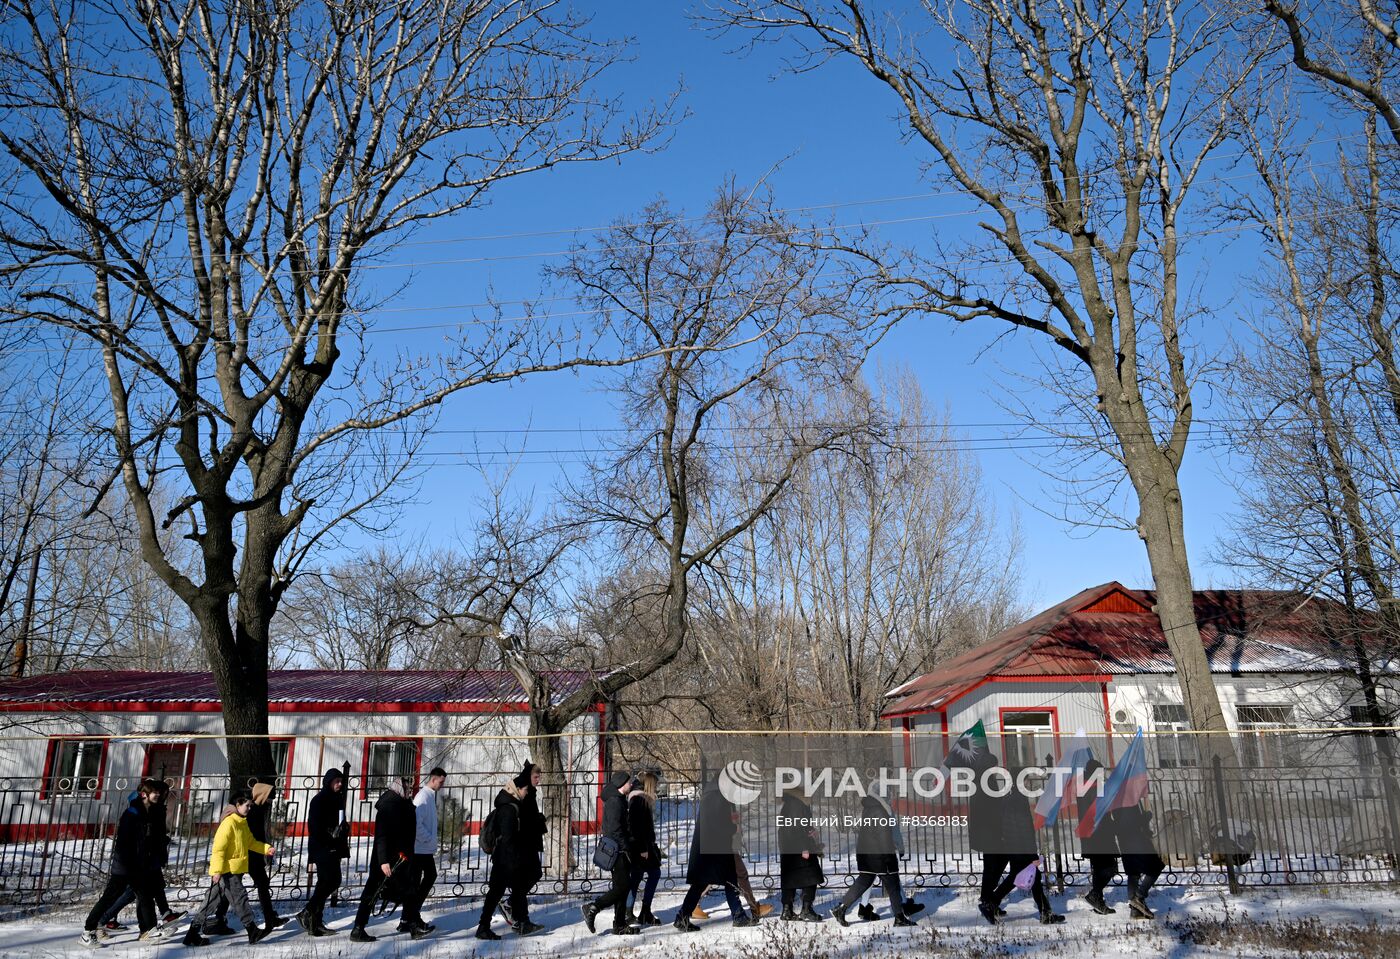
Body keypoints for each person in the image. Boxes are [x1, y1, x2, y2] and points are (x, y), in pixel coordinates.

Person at [973, 757, 1064, 926]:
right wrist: (1032, 854)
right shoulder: (1018, 800)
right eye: (1027, 779)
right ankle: (991, 903)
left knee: (1027, 877)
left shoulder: (1009, 798)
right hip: (1021, 847)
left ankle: (1044, 912)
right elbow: (1022, 829)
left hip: (1013, 846)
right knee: (1020, 877)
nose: (1029, 783)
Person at [182, 789, 278, 947]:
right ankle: (252, 931)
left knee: (210, 902)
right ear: (238, 804)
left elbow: (250, 842)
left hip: (232, 869)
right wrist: (217, 871)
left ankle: (192, 933)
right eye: (247, 805)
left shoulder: (241, 822)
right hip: (227, 871)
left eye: (251, 805)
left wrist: (266, 848)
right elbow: (218, 849)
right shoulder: (229, 823)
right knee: (240, 899)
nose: (249, 808)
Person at [80, 779, 166, 947]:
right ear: (144, 795)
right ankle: (87, 931)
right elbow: (125, 844)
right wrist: (130, 864)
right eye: (154, 792)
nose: (158, 795)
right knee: (109, 898)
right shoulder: (132, 814)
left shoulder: (146, 813)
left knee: (146, 896)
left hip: (137, 866)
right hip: (125, 867)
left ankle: (150, 931)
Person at [96, 781, 183, 934]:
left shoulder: (155, 808)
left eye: (161, 793)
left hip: (149, 858)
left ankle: (157, 921)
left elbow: (154, 833)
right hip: (137, 861)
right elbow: (137, 837)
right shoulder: (137, 811)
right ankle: (103, 920)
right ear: (146, 793)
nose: (161, 796)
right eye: (158, 793)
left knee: (152, 889)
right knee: (133, 893)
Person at [674, 779, 756, 932]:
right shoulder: (719, 797)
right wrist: (733, 828)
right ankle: (738, 916)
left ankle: (682, 917)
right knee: (729, 881)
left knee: (702, 883)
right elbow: (721, 823)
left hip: (708, 847)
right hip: (717, 847)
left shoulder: (710, 795)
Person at [206, 782, 287, 934]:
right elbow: (244, 838)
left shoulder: (258, 809)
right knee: (232, 889)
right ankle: (218, 919)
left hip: (252, 855)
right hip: (246, 857)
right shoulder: (251, 811)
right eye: (270, 797)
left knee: (247, 887)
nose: (271, 801)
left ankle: (268, 918)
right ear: (262, 796)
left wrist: (265, 849)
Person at [831, 787, 914, 927]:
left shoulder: (868, 809)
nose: (889, 797)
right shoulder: (881, 811)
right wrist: (889, 856)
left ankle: (841, 908)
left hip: (866, 854)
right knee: (893, 885)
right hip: (880, 856)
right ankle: (899, 918)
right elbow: (883, 836)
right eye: (888, 795)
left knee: (863, 882)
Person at [350, 777, 418, 942]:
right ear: (399, 788)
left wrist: (408, 802)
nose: (410, 791)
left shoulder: (400, 804)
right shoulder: (388, 806)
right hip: (387, 860)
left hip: (397, 857)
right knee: (374, 892)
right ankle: (358, 929)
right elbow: (381, 836)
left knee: (407, 889)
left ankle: (411, 924)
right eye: (407, 788)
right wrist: (383, 861)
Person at [475, 776, 544, 939]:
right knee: (511, 890)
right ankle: (521, 923)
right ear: (517, 789)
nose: (527, 793)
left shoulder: (510, 805)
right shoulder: (509, 809)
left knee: (497, 893)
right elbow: (508, 838)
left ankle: (485, 926)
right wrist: (514, 861)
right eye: (526, 790)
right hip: (506, 859)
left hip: (504, 858)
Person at [581, 772, 640, 935]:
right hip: (618, 851)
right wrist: (626, 847)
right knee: (623, 887)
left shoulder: (619, 799)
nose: (631, 785)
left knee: (621, 887)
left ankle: (619, 924)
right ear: (622, 783)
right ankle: (593, 908)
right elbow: (614, 829)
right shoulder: (615, 801)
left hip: (620, 850)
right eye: (629, 782)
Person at [296, 767, 349, 936]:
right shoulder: (319, 800)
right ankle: (308, 911)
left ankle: (315, 922)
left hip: (333, 846)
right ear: (329, 782)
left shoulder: (338, 799)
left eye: (341, 781)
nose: (340, 784)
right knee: (332, 880)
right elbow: (314, 826)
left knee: (325, 882)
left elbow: (340, 821)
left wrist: (343, 829)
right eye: (337, 781)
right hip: (323, 846)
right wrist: (329, 837)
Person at [499, 760, 546, 929]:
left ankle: (511, 904)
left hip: (529, 842)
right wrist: (536, 821)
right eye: (535, 776)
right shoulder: (522, 791)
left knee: (535, 874)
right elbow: (522, 819)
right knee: (523, 879)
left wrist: (538, 820)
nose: (538, 780)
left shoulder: (530, 792)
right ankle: (521, 920)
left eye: (539, 777)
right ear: (528, 776)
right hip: (522, 844)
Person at [404, 767, 446, 937]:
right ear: (434, 779)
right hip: (419, 849)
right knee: (418, 884)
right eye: (441, 782)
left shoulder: (429, 795)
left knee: (426, 879)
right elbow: (416, 823)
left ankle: (409, 918)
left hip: (424, 848)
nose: (442, 785)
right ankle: (412, 919)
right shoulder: (423, 796)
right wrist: (427, 838)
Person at [1077, 757, 1119, 915]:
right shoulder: (1093, 789)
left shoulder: (1087, 787)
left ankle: (1098, 900)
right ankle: (1095, 895)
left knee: (1101, 869)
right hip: (1099, 837)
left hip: (1095, 836)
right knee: (1109, 868)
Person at [1113, 799, 1166, 919]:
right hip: (1136, 841)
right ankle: (1139, 897)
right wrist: (1146, 817)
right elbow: (1132, 822)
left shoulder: (1116, 798)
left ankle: (1135, 911)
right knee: (1156, 867)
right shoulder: (1127, 800)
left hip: (1125, 841)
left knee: (1133, 873)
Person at [777, 788, 824, 922]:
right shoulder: (797, 805)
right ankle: (806, 910)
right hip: (799, 847)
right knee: (811, 876)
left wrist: (811, 831)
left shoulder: (789, 805)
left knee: (790, 878)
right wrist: (805, 847)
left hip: (789, 847)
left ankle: (787, 910)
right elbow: (797, 827)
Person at [627, 772, 662, 925]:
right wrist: (643, 848)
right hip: (641, 847)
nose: (657, 788)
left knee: (641, 876)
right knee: (638, 877)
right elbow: (636, 827)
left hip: (645, 846)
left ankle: (642, 912)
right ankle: (634, 912)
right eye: (655, 785)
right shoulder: (638, 800)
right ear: (649, 784)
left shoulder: (640, 799)